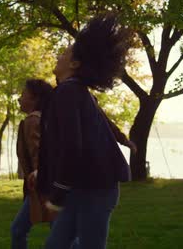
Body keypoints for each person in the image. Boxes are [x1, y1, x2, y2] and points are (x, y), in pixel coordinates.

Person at [36, 13, 132, 249]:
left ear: (75, 64)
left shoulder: (69, 92)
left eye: (65, 53)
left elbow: (72, 146)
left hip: (95, 188)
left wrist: (58, 192)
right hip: (83, 186)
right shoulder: (74, 91)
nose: (60, 55)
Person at [11, 79, 54, 249]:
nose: (19, 99)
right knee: (61, 233)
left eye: (23, 95)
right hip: (49, 184)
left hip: (43, 186)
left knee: (18, 230)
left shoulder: (32, 121)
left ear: (35, 98)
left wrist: (38, 174)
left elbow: (39, 152)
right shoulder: (46, 118)